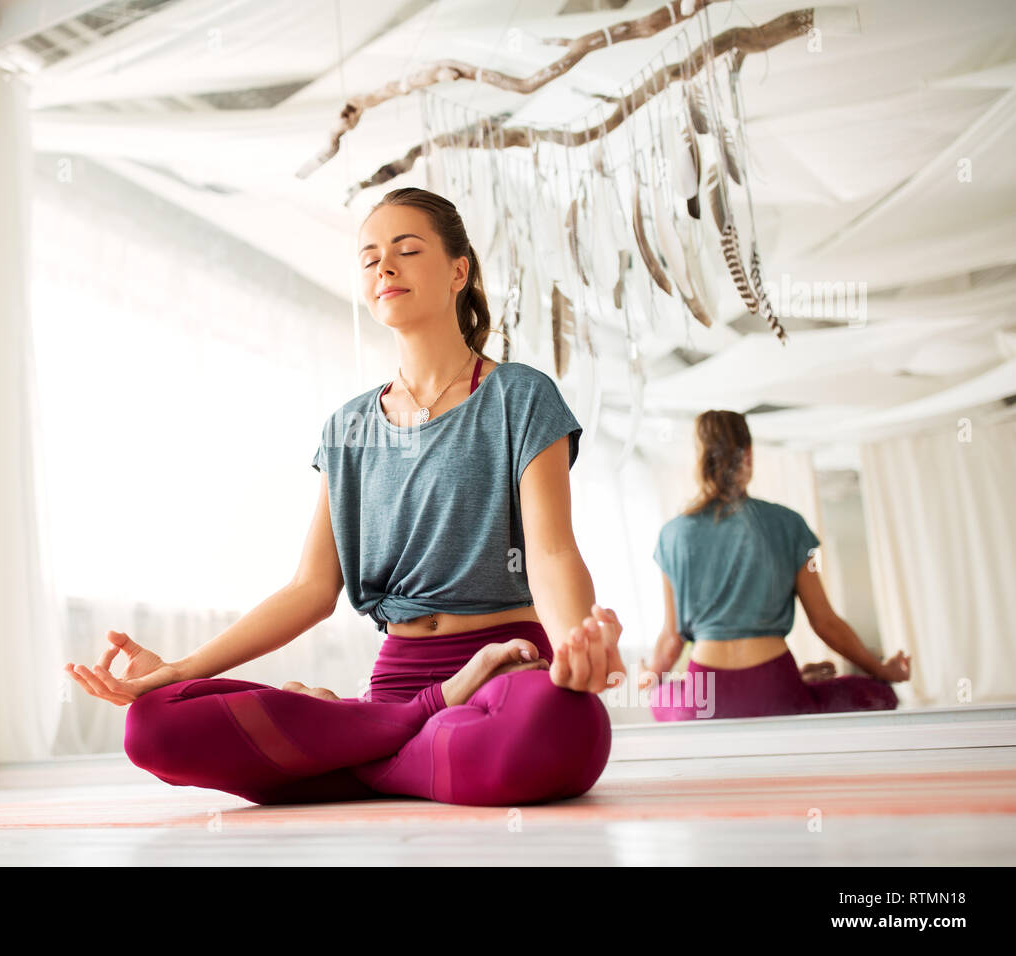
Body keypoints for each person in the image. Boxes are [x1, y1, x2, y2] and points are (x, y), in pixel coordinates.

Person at [64, 187, 625, 806]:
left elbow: (548, 555)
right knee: (154, 725)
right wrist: (178, 670)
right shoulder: (348, 427)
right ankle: (419, 722)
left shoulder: (520, 396)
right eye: (369, 257)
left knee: (559, 726)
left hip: (504, 667)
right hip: (400, 681)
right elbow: (310, 589)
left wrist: (575, 646)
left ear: (458, 271)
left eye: (407, 251)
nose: (385, 265)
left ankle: (352, 748)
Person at [639, 410, 910, 720]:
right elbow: (825, 622)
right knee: (881, 695)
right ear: (749, 456)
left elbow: (672, 639)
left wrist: (649, 676)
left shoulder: (672, 535)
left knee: (661, 695)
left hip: (706, 700)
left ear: (699, 459)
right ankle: (795, 686)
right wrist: (882, 669)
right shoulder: (789, 524)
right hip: (775, 688)